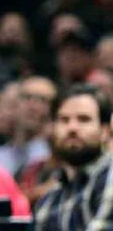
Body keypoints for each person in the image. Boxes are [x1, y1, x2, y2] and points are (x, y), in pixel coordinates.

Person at [33, 84, 113, 230]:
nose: (72, 127)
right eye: (64, 120)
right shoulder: (48, 202)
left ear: (105, 131)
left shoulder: (110, 177)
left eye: (84, 119)